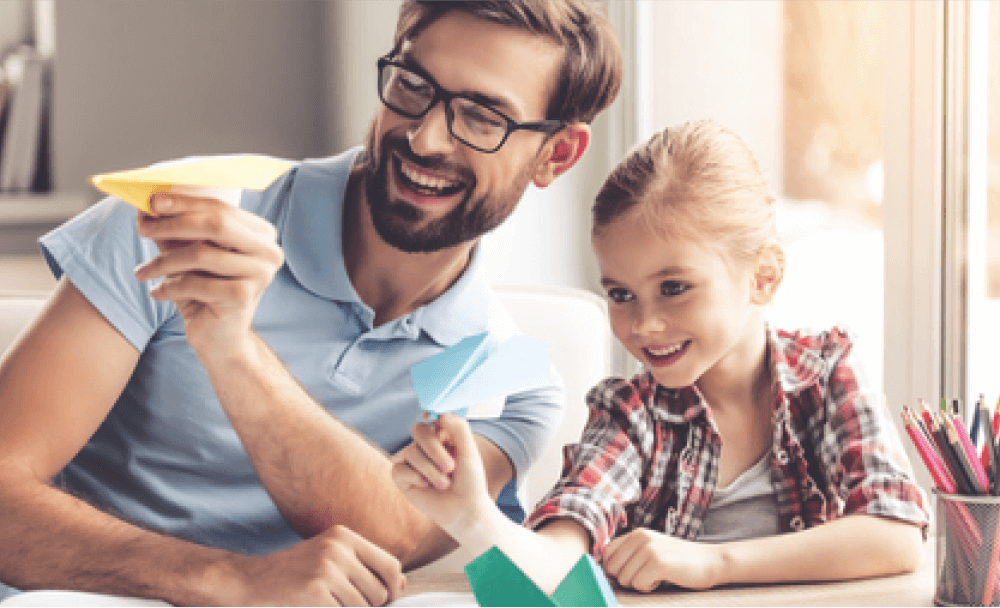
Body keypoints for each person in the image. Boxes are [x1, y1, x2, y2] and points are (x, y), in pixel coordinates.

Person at [0, 2, 622, 606]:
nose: (426, 137)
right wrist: (232, 580)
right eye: (411, 84)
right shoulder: (182, 220)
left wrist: (234, 350)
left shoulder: (509, 375)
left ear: (556, 154)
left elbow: (398, 532)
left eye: (483, 117)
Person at [392, 120, 929, 595]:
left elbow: (896, 532)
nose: (643, 325)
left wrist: (712, 562)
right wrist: (473, 516)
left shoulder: (828, 374)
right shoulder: (631, 416)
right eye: (621, 294)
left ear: (762, 276)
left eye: (674, 287)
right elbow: (561, 556)